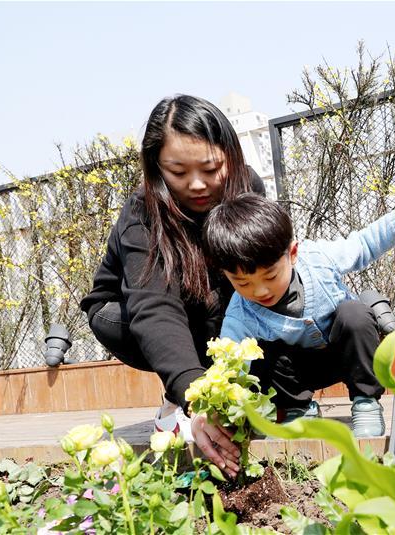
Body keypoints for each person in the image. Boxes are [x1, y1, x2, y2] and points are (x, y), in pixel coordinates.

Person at [80, 94, 264, 475]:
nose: (197, 185)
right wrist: (198, 399)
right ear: (156, 167)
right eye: (178, 173)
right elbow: (154, 308)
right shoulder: (142, 212)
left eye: (211, 169)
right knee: (186, 311)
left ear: (229, 155)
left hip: (215, 308)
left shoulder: (247, 190)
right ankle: (178, 394)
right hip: (130, 315)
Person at [202, 193, 395, 442]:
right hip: (295, 375)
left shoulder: (319, 260)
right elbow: (228, 363)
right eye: (242, 282)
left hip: (346, 356)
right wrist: (215, 403)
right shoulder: (240, 313)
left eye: (270, 276)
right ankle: (297, 409)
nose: (260, 291)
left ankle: (365, 403)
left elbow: (363, 245)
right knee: (253, 353)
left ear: (293, 253)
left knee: (354, 313)